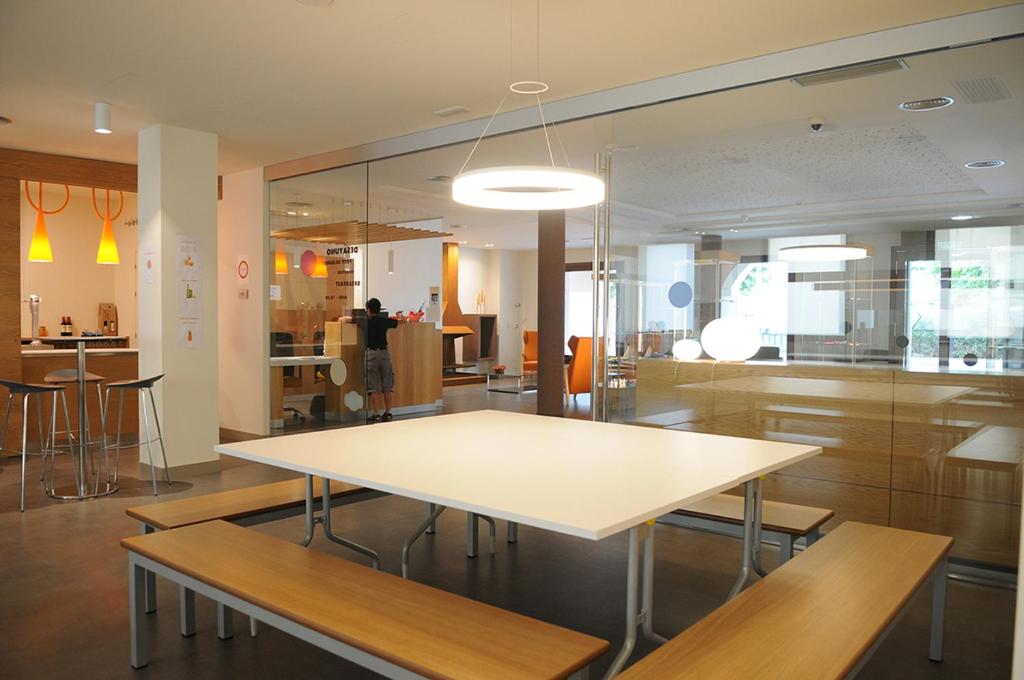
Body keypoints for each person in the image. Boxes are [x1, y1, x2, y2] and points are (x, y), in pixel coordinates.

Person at [363, 297, 402, 422]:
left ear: (368, 310)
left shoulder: (365, 321)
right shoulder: (385, 321)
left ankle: (376, 413)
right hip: (385, 354)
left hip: (371, 354)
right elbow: (401, 322)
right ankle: (388, 412)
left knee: (373, 385)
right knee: (387, 384)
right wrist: (398, 316)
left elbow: (344, 320)